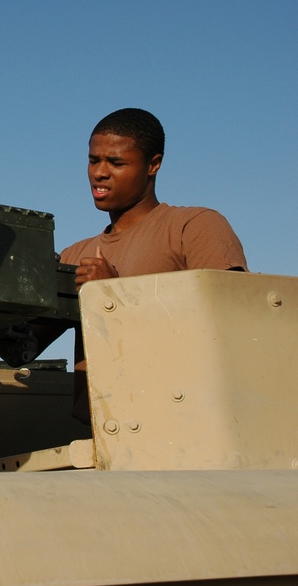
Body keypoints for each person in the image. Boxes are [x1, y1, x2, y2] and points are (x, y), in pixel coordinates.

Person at [61, 107, 247, 422]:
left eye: (116, 163)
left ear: (153, 165)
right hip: (102, 429)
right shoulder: (73, 255)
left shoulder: (194, 227)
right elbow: (19, 342)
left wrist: (114, 296)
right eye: (94, 160)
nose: (100, 172)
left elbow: (233, 326)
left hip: (181, 421)